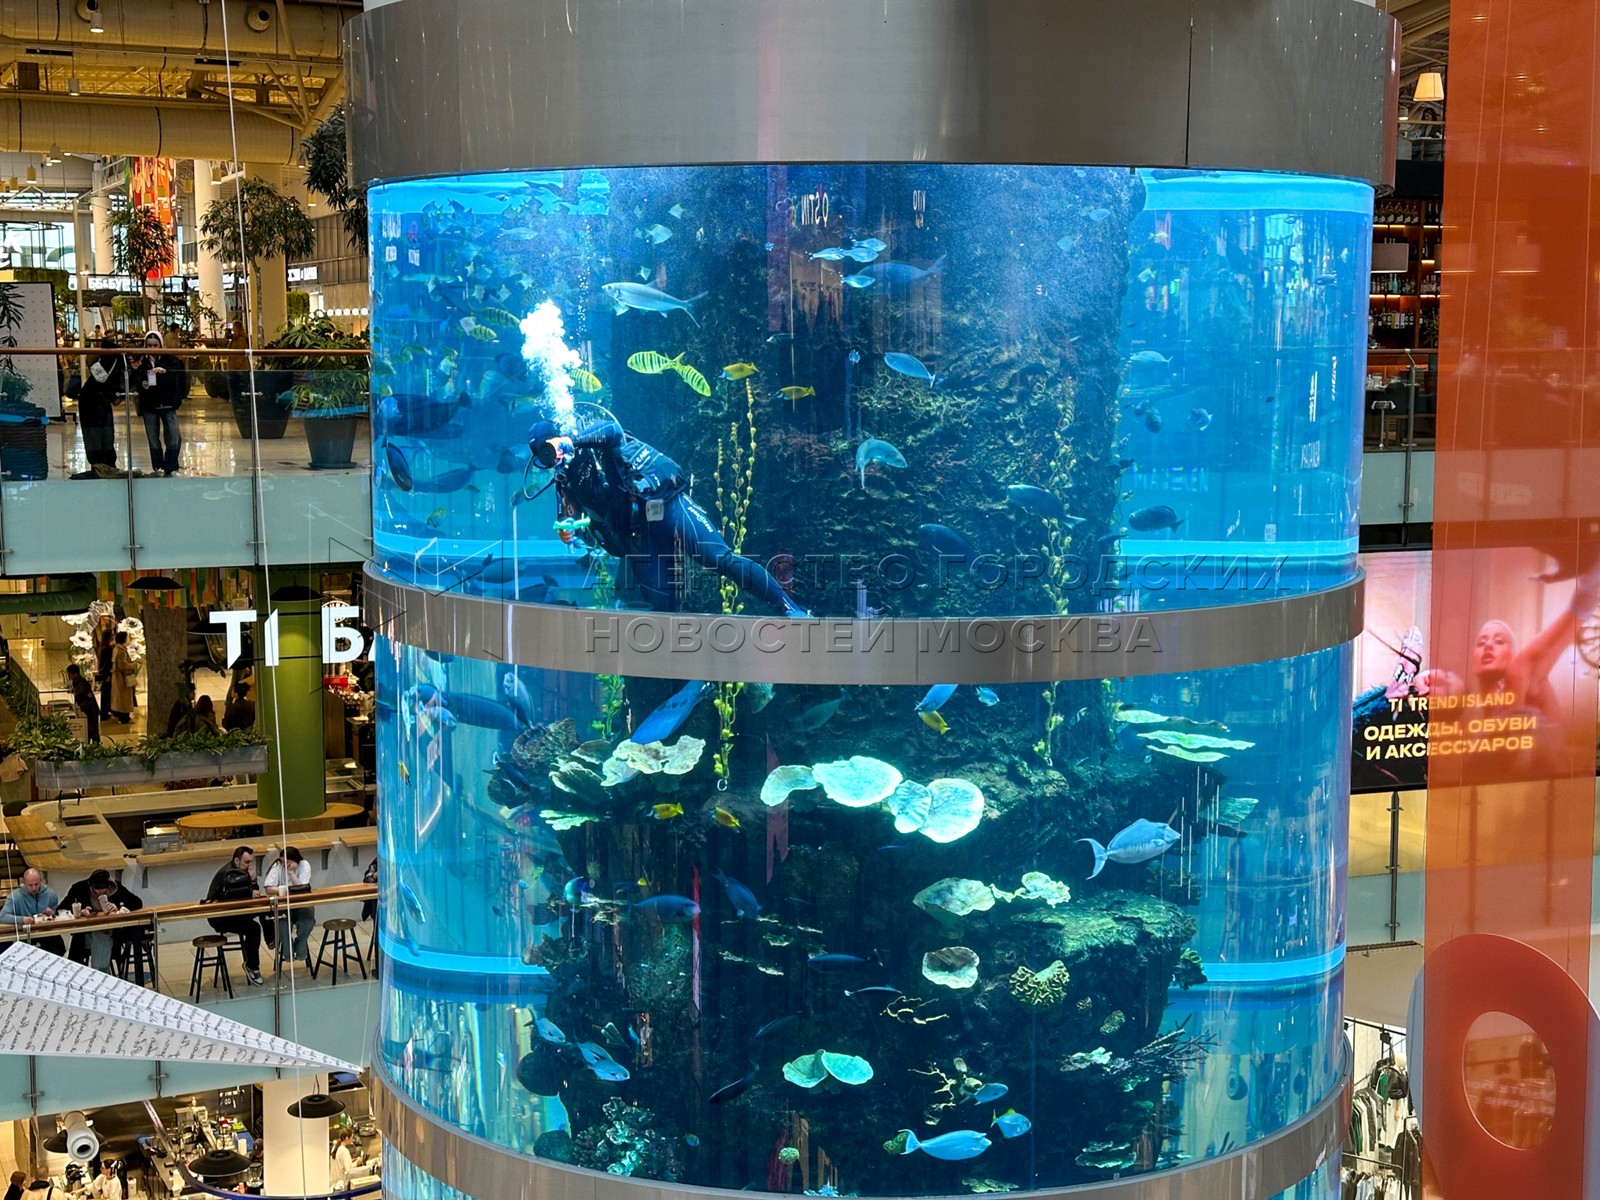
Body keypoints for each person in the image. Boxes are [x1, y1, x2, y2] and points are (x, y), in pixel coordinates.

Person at [529, 418, 806, 615]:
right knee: (660, 601)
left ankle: (790, 609)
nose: (551, 457)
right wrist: (569, 531)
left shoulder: (589, 435)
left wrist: (572, 441)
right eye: (544, 456)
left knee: (719, 559)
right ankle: (679, 667)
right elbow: (570, 518)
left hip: (667, 505)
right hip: (639, 533)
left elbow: (612, 431)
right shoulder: (564, 480)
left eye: (549, 448)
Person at [62, 868, 143, 974]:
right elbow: (62, 908)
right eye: (96, 889)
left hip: (111, 932)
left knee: (100, 935)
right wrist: (80, 912)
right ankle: (102, 973)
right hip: (85, 933)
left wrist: (118, 907)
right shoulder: (79, 888)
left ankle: (98, 974)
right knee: (99, 936)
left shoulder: (115, 888)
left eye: (103, 889)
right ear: (91, 886)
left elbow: (137, 902)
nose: (100, 892)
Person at [204, 846, 264, 986]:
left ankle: (270, 938)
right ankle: (252, 966)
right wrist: (249, 894)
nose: (249, 866)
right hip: (220, 917)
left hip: (236, 912)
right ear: (237, 861)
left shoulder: (244, 872)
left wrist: (253, 881)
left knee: (266, 910)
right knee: (254, 929)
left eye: (251, 862)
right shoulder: (228, 874)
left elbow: (254, 894)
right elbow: (229, 896)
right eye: (246, 862)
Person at [131, 330, 182, 476]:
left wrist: (165, 371)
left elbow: (177, 373)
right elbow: (135, 381)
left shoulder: (170, 359)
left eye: (155, 345)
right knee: (153, 438)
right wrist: (142, 383)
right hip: (150, 404)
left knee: (173, 436)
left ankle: (171, 466)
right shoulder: (142, 361)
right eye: (149, 345)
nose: (152, 348)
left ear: (161, 345)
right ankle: (158, 467)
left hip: (168, 403)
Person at [72, 338, 123, 478]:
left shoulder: (106, 361)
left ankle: (101, 465)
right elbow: (115, 396)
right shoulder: (115, 361)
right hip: (95, 402)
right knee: (100, 433)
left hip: (92, 401)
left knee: (98, 434)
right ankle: (102, 465)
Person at [261, 846, 315, 967]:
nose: (284, 865)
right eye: (282, 861)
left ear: (295, 860)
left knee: (308, 922)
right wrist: (286, 890)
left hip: (302, 904)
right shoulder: (277, 866)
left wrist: (291, 873)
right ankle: (288, 953)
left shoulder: (304, 865)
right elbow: (268, 888)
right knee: (283, 924)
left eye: (288, 862)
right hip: (284, 905)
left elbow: (302, 889)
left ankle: (300, 947)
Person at [0, 868, 65, 955]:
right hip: (25, 937)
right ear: (24, 883)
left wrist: (52, 914)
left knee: (58, 949)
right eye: (30, 885)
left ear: (41, 881)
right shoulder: (14, 897)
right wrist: (22, 919)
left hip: (47, 935)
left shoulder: (51, 895)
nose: (34, 888)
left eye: (36, 884)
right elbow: (2, 917)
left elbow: (57, 916)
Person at [66, 664, 100, 745]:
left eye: (70, 674)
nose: (69, 676)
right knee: (86, 731)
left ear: (75, 674)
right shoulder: (75, 682)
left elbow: (89, 699)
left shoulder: (83, 684)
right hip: (84, 711)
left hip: (90, 711)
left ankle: (97, 747)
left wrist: (80, 708)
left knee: (93, 731)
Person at [108, 631, 135, 724]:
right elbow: (122, 665)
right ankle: (124, 718)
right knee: (124, 699)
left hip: (118, 677)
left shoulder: (116, 649)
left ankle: (121, 716)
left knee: (120, 698)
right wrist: (132, 665)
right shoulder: (121, 650)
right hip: (122, 678)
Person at [95, 627, 115, 720]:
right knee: (107, 694)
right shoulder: (108, 649)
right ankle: (105, 713)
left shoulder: (102, 648)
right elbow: (107, 663)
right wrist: (108, 675)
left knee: (106, 693)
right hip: (107, 674)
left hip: (104, 673)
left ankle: (106, 711)